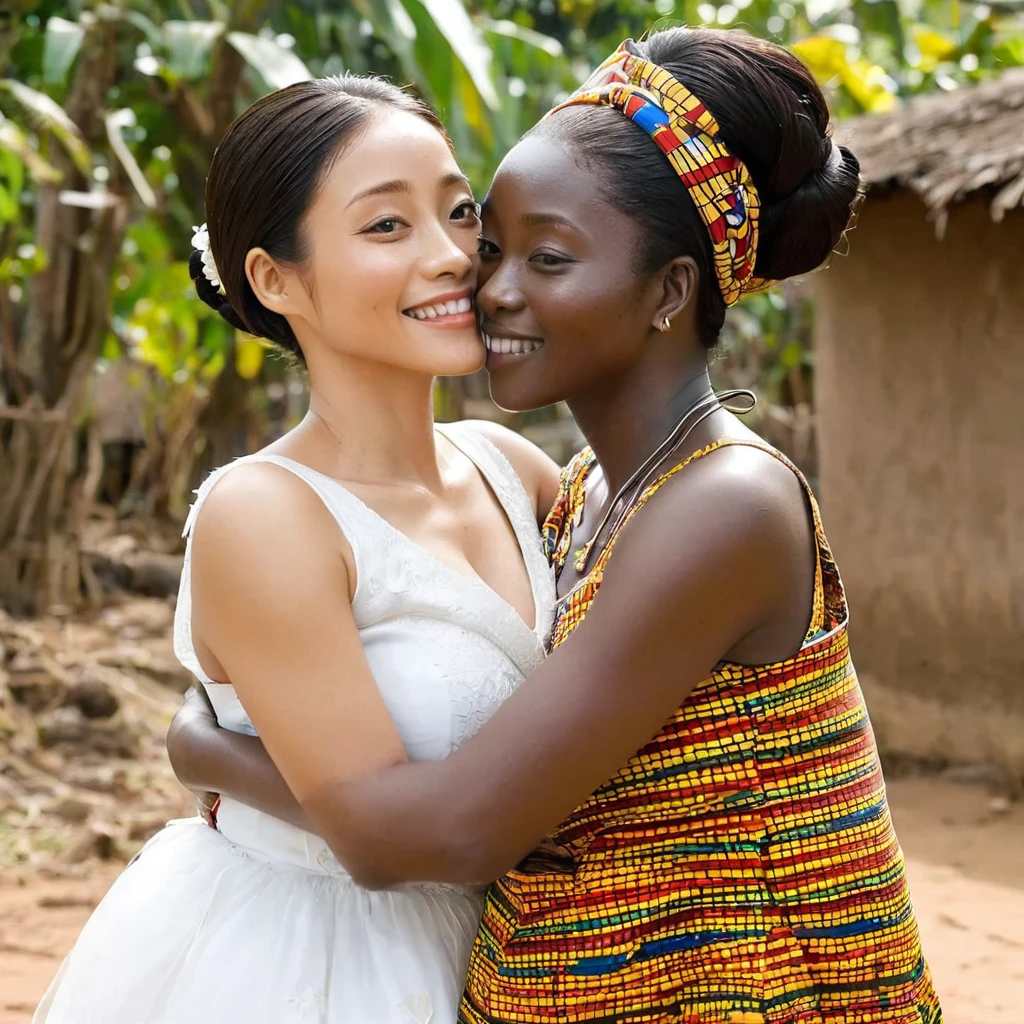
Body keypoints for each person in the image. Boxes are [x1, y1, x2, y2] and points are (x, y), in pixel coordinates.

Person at [169, 27, 943, 1024]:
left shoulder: (722, 506)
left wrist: (205, 747)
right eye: (489, 243)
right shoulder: (576, 495)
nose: (479, 280)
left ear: (669, 289)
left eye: (545, 256)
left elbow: (452, 830)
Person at [33, 74, 563, 1024]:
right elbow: (378, 835)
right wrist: (206, 754)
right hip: (315, 967)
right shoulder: (267, 514)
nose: (451, 256)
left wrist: (204, 749)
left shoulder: (514, 468)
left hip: (521, 956)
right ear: (275, 279)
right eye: (386, 227)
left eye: (458, 211)